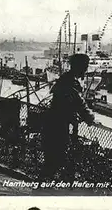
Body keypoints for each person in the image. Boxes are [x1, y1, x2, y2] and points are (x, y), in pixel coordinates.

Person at [40, 53, 95, 181]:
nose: (86, 70)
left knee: (53, 161)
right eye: (85, 66)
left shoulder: (65, 79)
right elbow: (78, 102)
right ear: (79, 67)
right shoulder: (70, 82)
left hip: (54, 124)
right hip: (58, 126)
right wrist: (89, 117)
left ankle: (42, 187)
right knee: (56, 160)